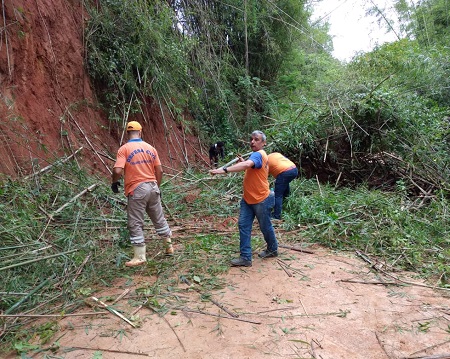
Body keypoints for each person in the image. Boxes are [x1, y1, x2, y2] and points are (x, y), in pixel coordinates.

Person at [210, 131, 277, 267]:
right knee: (243, 225)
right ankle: (245, 257)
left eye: (256, 139)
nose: (252, 141)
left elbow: (247, 165)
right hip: (248, 199)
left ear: (263, 143)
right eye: (251, 139)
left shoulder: (259, 154)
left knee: (265, 226)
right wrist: (244, 162)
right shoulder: (255, 157)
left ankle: (272, 249)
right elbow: (250, 166)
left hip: (261, 199)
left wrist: (224, 170)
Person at [111, 121, 174, 267]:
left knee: (135, 222)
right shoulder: (151, 148)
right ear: (140, 132)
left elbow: (117, 170)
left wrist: (114, 182)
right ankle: (169, 247)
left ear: (127, 133)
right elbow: (160, 170)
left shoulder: (124, 149)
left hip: (137, 189)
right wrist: (157, 187)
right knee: (159, 219)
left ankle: (140, 256)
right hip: (152, 186)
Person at [268, 152, 298, 220]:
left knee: (278, 195)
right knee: (284, 185)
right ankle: (286, 205)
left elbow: (263, 177)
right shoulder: (274, 154)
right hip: (294, 169)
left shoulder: (264, 162)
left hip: (284, 172)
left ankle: (276, 216)